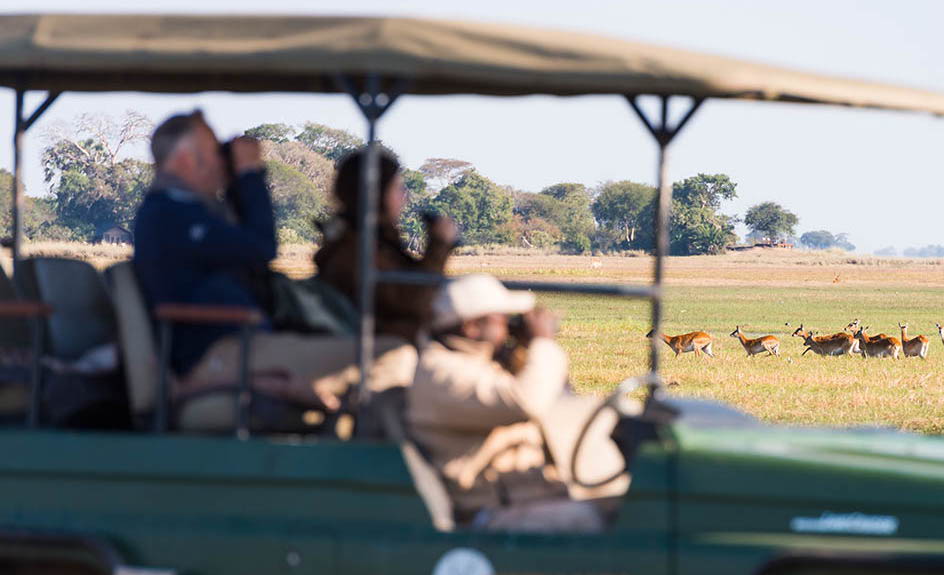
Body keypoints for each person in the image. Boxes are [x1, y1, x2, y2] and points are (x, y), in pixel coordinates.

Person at [132, 111, 415, 415]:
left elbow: (248, 251)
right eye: (215, 152)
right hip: (222, 352)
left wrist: (237, 184)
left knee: (383, 350)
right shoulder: (169, 215)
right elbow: (261, 247)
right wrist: (250, 173)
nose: (221, 160)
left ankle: (333, 420)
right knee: (393, 354)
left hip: (244, 342)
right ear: (186, 159)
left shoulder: (188, 212)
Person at [406, 274, 629, 531]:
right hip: (485, 512)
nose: (508, 326)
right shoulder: (441, 373)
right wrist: (542, 342)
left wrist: (523, 348)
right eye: (502, 319)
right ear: (471, 327)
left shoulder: (478, 362)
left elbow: (556, 394)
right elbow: (527, 401)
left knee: (629, 509)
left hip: (524, 495)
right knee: (588, 519)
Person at [313, 147, 458, 342]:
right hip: (381, 349)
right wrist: (439, 245)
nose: (403, 197)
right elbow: (413, 303)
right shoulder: (358, 251)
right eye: (397, 188)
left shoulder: (362, 241)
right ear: (377, 194)